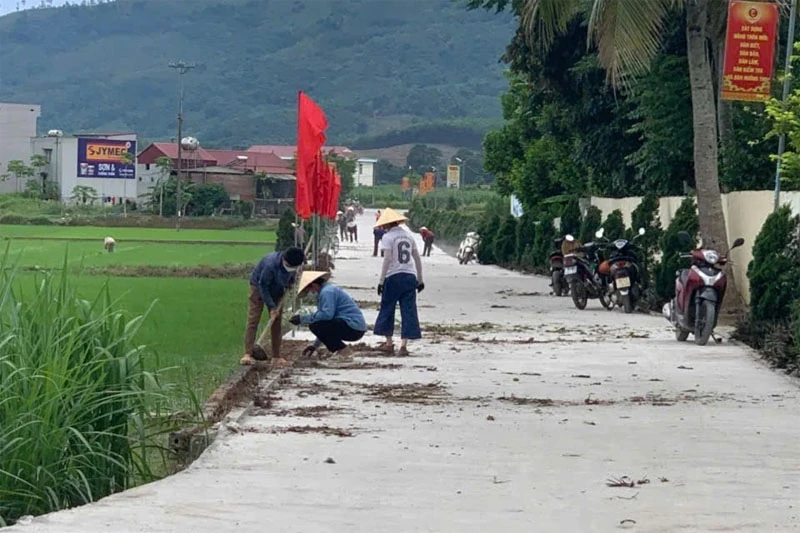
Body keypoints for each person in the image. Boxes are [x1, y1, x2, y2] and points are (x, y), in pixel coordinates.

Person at [241, 246, 305, 367]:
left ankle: (276, 356)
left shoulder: (293, 264)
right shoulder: (270, 265)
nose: (293, 269)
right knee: (253, 320)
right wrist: (271, 307)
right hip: (259, 288)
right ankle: (248, 353)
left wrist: (290, 283)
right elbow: (263, 286)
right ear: (285, 261)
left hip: (278, 289)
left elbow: (292, 275)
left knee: (277, 321)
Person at [373, 208, 424, 356]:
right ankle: (404, 345)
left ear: (387, 224)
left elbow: (387, 259)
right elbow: (417, 258)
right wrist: (420, 279)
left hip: (393, 276)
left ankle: (389, 343)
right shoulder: (409, 236)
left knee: (388, 308)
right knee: (408, 310)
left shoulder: (387, 237)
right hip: (410, 276)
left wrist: (381, 281)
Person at [289, 271, 367, 359]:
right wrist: (314, 346)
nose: (310, 293)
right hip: (353, 327)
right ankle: (340, 350)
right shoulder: (327, 291)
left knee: (315, 325)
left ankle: (343, 350)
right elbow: (325, 326)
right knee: (317, 324)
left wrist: (303, 319)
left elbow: (326, 316)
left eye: (309, 290)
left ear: (314, 285)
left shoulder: (326, 292)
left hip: (352, 327)